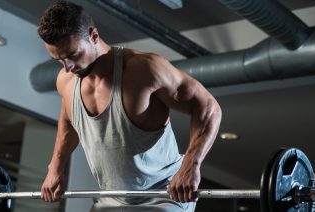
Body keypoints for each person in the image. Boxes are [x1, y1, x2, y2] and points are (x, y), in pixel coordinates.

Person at [38, 1, 222, 211]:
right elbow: (69, 122)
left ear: (94, 36)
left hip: (165, 193)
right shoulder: (66, 81)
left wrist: (191, 164)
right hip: (111, 197)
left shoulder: (144, 69)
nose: (67, 67)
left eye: (72, 55)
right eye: (58, 60)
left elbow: (208, 108)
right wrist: (55, 167)